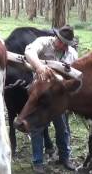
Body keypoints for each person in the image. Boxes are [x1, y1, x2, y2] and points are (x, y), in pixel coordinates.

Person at [24, 25, 78, 173]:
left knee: (63, 128)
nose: (64, 46)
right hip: (40, 95)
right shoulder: (44, 42)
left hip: (58, 97)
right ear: (57, 37)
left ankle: (64, 158)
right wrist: (39, 67)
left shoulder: (72, 53)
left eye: (67, 43)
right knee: (37, 127)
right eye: (62, 42)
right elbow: (29, 51)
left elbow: (74, 76)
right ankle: (38, 162)